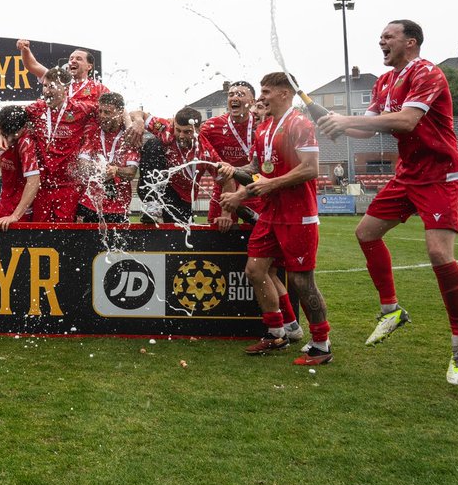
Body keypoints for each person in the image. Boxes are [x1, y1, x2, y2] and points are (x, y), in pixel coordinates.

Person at [317, 19, 458, 384]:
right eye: (381, 36)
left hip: (441, 175)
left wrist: (345, 119)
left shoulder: (428, 73)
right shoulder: (384, 81)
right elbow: (365, 129)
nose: (380, 41)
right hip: (408, 174)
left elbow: (406, 121)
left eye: (388, 36)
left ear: (411, 42)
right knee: (366, 233)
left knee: (438, 253)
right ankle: (391, 310)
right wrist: (332, 124)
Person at [221, 72, 332, 365]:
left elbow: (310, 169)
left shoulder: (300, 124)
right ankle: (276, 332)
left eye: (267, 92)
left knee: (301, 281)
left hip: (299, 216)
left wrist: (269, 184)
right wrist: (233, 172)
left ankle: (322, 343)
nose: (262, 98)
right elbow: (259, 168)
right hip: (271, 214)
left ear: (285, 93)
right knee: (255, 270)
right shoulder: (265, 127)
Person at [23, 66, 98, 223]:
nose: (46, 91)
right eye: (44, 86)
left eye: (51, 86)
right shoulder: (36, 108)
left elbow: (112, 109)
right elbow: (10, 115)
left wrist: (135, 121)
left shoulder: (80, 108)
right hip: (42, 186)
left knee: (64, 235)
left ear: (65, 88)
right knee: (40, 234)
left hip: (69, 186)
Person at [131, 107, 223, 225]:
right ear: (174, 123)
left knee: (181, 235)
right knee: (153, 144)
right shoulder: (166, 128)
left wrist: (226, 214)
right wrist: (139, 120)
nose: (181, 135)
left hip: (183, 197)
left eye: (187, 132)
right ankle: (151, 203)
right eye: (178, 130)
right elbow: (137, 113)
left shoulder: (205, 151)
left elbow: (225, 179)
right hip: (163, 186)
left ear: (198, 130)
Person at [199, 82, 263, 229]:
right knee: (216, 239)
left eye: (240, 94)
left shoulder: (260, 124)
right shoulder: (211, 127)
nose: (234, 97)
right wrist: (226, 210)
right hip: (223, 192)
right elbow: (217, 166)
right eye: (231, 94)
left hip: (254, 190)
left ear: (252, 101)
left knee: (261, 238)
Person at [75, 92, 139, 224]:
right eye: (101, 111)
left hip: (118, 208)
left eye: (107, 112)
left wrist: (116, 171)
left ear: (120, 112)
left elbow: (131, 172)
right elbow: (82, 165)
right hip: (90, 205)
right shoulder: (93, 132)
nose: (102, 116)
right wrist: (99, 169)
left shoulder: (129, 137)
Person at [0, 104, 41, 229]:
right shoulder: (4, 134)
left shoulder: (26, 144)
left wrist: (15, 216)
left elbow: (34, 181)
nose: (10, 139)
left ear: (24, 127)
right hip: (5, 202)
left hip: (21, 208)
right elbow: (0, 155)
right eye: (6, 134)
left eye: (14, 135)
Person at [17, 40, 108, 107]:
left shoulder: (98, 88)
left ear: (89, 66)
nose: (73, 61)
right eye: (71, 59)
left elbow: (114, 109)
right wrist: (25, 50)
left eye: (78, 59)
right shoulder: (57, 79)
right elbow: (32, 65)